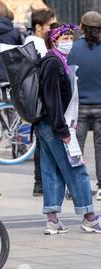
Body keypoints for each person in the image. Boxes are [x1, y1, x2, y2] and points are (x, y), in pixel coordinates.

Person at [36, 24, 101, 235]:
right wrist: (62, 130)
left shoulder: (52, 60)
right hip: (56, 125)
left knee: (52, 170)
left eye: (71, 36)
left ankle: (52, 219)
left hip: (46, 125)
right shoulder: (54, 63)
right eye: (65, 36)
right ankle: (89, 217)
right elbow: (52, 99)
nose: (69, 40)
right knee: (77, 168)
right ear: (54, 40)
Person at [68, 11, 101, 201]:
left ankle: (75, 186)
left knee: (76, 147)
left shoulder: (72, 48)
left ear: (81, 27)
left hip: (78, 106)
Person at [24, 9, 57, 197]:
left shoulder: (30, 42)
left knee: (42, 142)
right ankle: (42, 182)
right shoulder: (38, 45)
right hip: (43, 100)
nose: (54, 29)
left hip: (37, 99)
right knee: (46, 142)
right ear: (38, 27)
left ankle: (40, 183)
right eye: (51, 26)